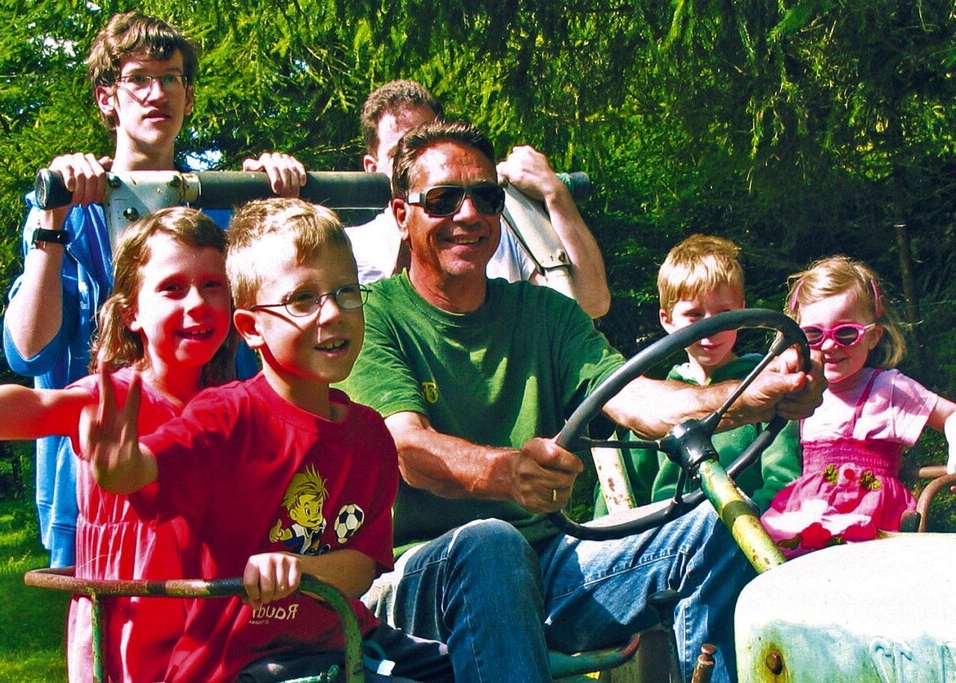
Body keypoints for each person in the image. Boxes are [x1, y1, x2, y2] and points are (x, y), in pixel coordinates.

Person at [336, 120, 825, 682]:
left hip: (547, 567)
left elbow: (636, 400)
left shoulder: (547, 314)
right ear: (402, 215)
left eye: (486, 198)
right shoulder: (373, 315)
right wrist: (508, 473)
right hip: (416, 581)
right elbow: (408, 448)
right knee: (492, 544)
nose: (468, 214)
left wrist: (756, 396)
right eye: (444, 200)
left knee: (714, 527)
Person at [81, 198, 453, 683]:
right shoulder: (226, 418)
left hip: (346, 639)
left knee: (469, 665)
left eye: (346, 291)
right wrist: (118, 467)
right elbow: (149, 469)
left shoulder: (368, 436)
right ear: (251, 328)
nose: (333, 313)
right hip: (244, 662)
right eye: (303, 299)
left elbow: (362, 567)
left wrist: (298, 568)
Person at [1, 10, 305, 567]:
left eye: (171, 79)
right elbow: (29, 352)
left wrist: (277, 203)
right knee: (107, 620)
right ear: (106, 98)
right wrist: (52, 218)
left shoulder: (223, 208)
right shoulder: (66, 211)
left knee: (217, 618)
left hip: (215, 472)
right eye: (138, 78)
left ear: (188, 97)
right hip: (95, 483)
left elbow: (281, 320)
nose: (156, 93)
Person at [0, 207, 237, 682]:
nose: (197, 302)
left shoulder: (235, 405)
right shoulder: (110, 399)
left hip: (212, 630)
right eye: (173, 288)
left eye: (212, 285)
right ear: (131, 313)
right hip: (125, 634)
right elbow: (33, 407)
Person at [345, 79, 611, 318]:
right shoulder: (350, 247)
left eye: (427, 143)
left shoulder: (495, 226)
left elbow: (591, 304)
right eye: (398, 153)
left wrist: (555, 194)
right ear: (372, 167)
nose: (418, 161)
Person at [761, 256, 956, 557]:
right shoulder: (800, 391)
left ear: (872, 337)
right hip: (807, 511)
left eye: (846, 334)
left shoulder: (888, 388)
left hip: (872, 515)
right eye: (814, 335)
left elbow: (951, 415)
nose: (830, 345)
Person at [599, 234, 801, 516]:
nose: (710, 329)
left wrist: (749, 524)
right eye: (694, 315)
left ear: (742, 314)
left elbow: (784, 480)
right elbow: (620, 498)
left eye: (724, 314)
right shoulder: (654, 406)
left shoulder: (764, 387)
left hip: (749, 528)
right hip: (669, 534)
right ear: (667, 320)